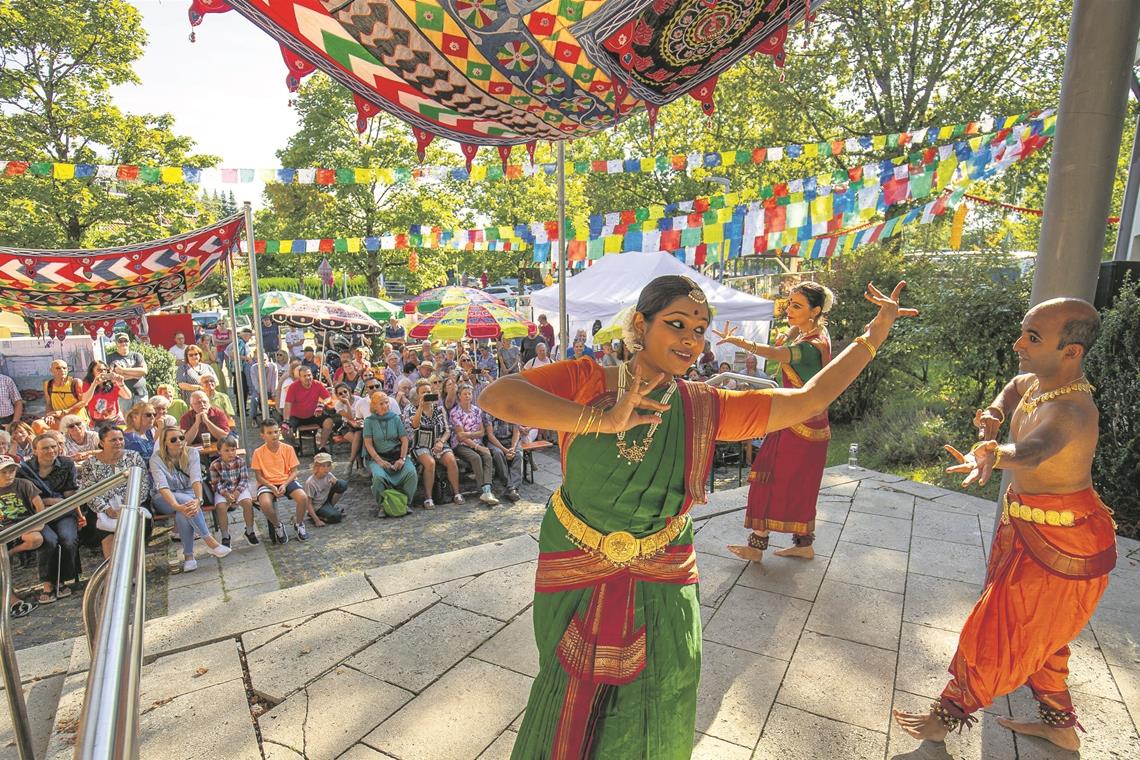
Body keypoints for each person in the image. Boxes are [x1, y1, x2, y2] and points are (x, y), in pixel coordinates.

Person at [478, 275, 915, 758]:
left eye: (700, 329)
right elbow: (497, 397)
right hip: (577, 559)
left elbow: (809, 399)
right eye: (677, 324)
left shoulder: (704, 407)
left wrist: (875, 332)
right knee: (566, 684)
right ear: (640, 325)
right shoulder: (588, 380)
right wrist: (603, 420)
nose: (690, 339)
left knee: (669, 685)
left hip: (662, 566)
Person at [893, 298, 1115, 752]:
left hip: (1062, 542)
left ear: (1071, 351)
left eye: (1032, 338)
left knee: (996, 629)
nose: (1019, 344)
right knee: (1042, 635)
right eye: (1023, 332)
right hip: (1028, 527)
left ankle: (946, 715)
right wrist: (994, 416)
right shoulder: (1039, 381)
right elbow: (1013, 387)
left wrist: (995, 453)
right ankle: (1059, 724)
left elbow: (1035, 449)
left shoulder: (1071, 411)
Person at [717, 281, 836, 562]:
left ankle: (756, 547)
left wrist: (739, 342)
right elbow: (791, 338)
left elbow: (777, 353)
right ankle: (803, 543)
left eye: (797, 306)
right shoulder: (818, 332)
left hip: (795, 425)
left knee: (765, 479)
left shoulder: (810, 347)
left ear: (815, 310)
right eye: (789, 303)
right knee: (801, 486)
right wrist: (795, 325)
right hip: (811, 424)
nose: (788, 310)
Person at [150, 426, 232, 572]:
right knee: (185, 505)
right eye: (173, 439)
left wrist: (199, 499)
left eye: (181, 438)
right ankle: (210, 542)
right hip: (164, 498)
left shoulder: (192, 452)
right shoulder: (156, 459)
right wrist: (176, 505)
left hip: (189, 495)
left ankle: (189, 558)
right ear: (165, 442)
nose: (178, 442)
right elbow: (162, 487)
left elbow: (196, 478)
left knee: (184, 512)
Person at [17, 435, 81, 603]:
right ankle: (47, 584)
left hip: (62, 512)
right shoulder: (23, 470)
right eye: (45, 448)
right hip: (37, 514)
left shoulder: (66, 464)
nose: (51, 450)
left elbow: (69, 494)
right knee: (49, 540)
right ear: (35, 450)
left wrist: (74, 510)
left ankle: (61, 579)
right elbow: (24, 498)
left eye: (54, 446)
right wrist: (49, 501)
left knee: (68, 539)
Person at [77, 426, 149, 559]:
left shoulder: (133, 457)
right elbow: (89, 491)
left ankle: (133, 572)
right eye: (113, 440)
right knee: (107, 536)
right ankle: (113, 575)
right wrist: (106, 509)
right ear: (102, 443)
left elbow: (143, 485)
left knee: (132, 529)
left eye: (121, 439)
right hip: (102, 508)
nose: (118, 442)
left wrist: (129, 507)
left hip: (132, 504)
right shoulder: (90, 464)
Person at [251, 420, 322, 542]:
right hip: (267, 483)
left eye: (276, 432)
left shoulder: (288, 449)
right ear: (262, 435)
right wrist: (272, 487)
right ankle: (278, 525)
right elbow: (259, 477)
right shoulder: (258, 452)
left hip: (286, 480)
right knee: (265, 504)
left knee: (303, 497)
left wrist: (284, 484)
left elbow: (294, 471)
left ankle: (299, 523)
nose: (274, 435)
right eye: (269, 433)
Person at [405, 378, 461, 508]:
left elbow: (447, 430)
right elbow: (414, 425)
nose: (427, 394)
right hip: (420, 445)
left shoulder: (439, 409)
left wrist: (441, 442)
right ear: (418, 394)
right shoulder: (411, 409)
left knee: (451, 459)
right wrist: (421, 406)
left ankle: (457, 493)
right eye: (423, 392)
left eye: (428, 391)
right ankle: (428, 498)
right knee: (430, 463)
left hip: (438, 443)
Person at [362, 391, 417, 515]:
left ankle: (404, 503)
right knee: (378, 478)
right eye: (381, 403)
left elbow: (404, 440)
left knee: (411, 473)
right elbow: (368, 444)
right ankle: (383, 505)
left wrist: (402, 459)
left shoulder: (395, 418)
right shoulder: (369, 422)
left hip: (397, 455)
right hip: (379, 457)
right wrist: (379, 461)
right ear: (374, 406)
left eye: (386, 402)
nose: (385, 406)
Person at [0, 456, 42, 618]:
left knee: (36, 539)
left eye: (12, 470)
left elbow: (40, 507)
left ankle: (9, 598)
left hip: (24, 526)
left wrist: (38, 523)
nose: (9, 474)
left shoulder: (23, 484)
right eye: (4, 471)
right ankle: (9, 599)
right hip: (4, 530)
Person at [209, 435, 268, 546]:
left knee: (247, 503)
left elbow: (244, 480)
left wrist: (236, 493)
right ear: (219, 452)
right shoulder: (214, 465)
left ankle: (249, 530)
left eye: (233, 450)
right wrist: (226, 494)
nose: (231, 453)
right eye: (226, 450)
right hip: (223, 491)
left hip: (238, 488)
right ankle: (225, 535)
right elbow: (216, 484)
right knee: (221, 507)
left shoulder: (240, 462)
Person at [450, 384, 498, 506]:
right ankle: (483, 490)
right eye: (465, 394)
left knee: (487, 456)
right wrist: (476, 445)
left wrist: (468, 434)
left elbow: (482, 432)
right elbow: (460, 436)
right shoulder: (455, 412)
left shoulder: (477, 410)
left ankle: (487, 489)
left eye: (469, 394)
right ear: (459, 396)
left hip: (476, 442)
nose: (467, 396)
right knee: (475, 457)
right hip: (460, 445)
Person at [284, 367, 335, 453]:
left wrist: (322, 404)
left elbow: (328, 398)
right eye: (304, 376)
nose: (308, 378)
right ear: (300, 378)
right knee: (285, 430)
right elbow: (287, 404)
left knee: (329, 422)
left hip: (313, 414)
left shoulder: (317, 384)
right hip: (296, 416)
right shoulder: (293, 387)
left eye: (309, 375)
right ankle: (295, 446)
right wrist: (286, 420)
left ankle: (321, 447)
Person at [79, 360, 131, 425]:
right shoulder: (87, 384)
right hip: (97, 422)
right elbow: (85, 401)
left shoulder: (112, 383)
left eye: (104, 370)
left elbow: (128, 396)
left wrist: (121, 384)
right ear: (92, 372)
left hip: (115, 420)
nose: (103, 372)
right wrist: (94, 384)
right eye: (99, 370)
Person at [486, 412, 522, 502]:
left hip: (510, 441)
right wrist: (505, 450)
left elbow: (516, 433)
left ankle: (513, 487)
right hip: (495, 442)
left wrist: (513, 448)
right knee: (498, 453)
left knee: (518, 454)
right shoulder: (488, 415)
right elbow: (490, 436)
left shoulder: (513, 413)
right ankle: (510, 487)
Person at [106, 333, 149, 407]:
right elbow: (112, 376)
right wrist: (135, 375)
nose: (123, 343)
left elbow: (143, 371)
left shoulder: (137, 356)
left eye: (125, 341)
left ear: (129, 342)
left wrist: (122, 370)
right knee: (125, 418)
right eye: (120, 341)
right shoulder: (110, 358)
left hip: (140, 394)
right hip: (122, 395)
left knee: (142, 417)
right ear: (116, 343)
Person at [305, 452, 347, 518]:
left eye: (328, 465)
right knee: (336, 517)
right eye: (323, 466)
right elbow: (308, 503)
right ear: (317, 466)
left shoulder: (329, 474)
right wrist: (317, 520)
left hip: (326, 499)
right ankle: (317, 515)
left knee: (342, 484)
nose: (326, 468)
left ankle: (330, 508)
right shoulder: (310, 482)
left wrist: (335, 482)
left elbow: (340, 486)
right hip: (318, 506)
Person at [43, 359, 86, 426]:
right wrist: (49, 415)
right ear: (51, 370)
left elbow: (83, 402)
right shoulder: (48, 384)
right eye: (58, 368)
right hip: (59, 420)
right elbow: (48, 403)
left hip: (77, 420)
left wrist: (65, 412)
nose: (62, 370)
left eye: (64, 368)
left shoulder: (75, 382)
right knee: (38, 424)